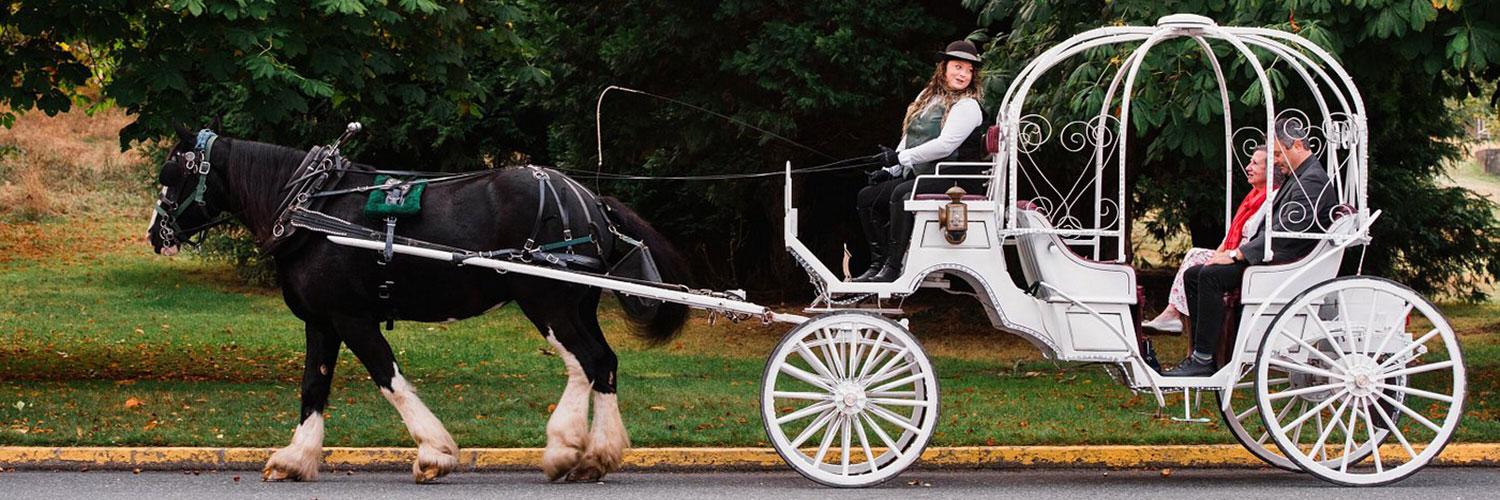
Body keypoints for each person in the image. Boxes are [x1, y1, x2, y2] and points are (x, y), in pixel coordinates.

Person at [1163, 118, 1338, 376]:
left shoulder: (1310, 180)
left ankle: (1203, 359)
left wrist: (1237, 255)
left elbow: (1285, 232)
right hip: (1276, 254)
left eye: (1278, 153)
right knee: (1194, 274)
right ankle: (1202, 355)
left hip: (1285, 263)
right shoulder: (1300, 176)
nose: (1275, 160)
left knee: (1210, 276)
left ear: (1298, 145)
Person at [851, 40, 987, 283]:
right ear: (943, 68)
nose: (963, 74)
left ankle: (893, 268)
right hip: (927, 176)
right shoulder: (927, 97)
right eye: (958, 67)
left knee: (903, 194)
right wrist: (890, 168)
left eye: (969, 70)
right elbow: (910, 136)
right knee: (867, 197)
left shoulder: (968, 106)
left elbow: (945, 145)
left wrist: (901, 158)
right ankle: (878, 264)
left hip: (955, 178)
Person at [1141, 149, 1271, 334]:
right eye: (1249, 162)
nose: (1248, 168)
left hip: (1245, 259)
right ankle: (1173, 318)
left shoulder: (1269, 199)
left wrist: (1227, 256)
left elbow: (1252, 238)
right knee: (1195, 258)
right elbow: (1231, 234)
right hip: (1232, 254)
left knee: (1195, 258)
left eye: (1255, 164)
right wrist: (1218, 254)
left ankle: (1172, 316)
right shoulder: (1253, 196)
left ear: (1270, 170)